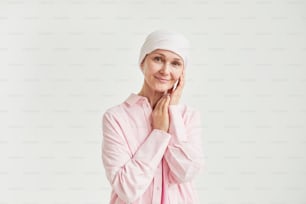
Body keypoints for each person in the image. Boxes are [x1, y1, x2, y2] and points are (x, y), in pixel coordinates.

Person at [101, 30, 204, 204]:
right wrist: (159, 134)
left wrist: (173, 113)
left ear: (182, 72)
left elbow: (186, 172)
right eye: (158, 59)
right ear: (143, 62)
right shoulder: (116, 117)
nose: (165, 70)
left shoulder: (188, 117)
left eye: (175, 63)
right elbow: (127, 188)